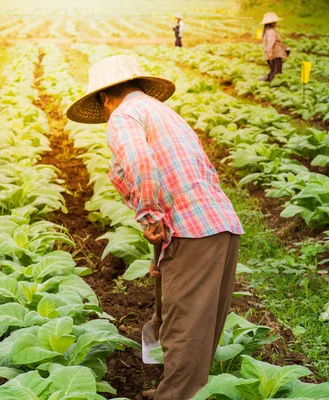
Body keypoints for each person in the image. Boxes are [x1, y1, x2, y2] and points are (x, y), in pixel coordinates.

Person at [66, 55, 244, 400]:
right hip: (220, 224)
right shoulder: (165, 114)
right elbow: (199, 172)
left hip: (193, 233)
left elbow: (141, 163)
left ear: (104, 97)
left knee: (184, 330)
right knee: (202, 326)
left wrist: (149, 216)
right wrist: (161, 253)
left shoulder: (122, 116)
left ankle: (177, 396)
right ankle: (176, 390)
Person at [259, 12, 288, 82]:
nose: (276, 23)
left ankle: (268, 80)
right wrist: (270, 53)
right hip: (275, 54)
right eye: (274, 21)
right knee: (276, 71)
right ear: (270, 23)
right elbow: (270, 43)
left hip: (274, 53)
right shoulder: (271, 31)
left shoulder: (267, 31)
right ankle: (273, 84)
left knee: (274, 69)